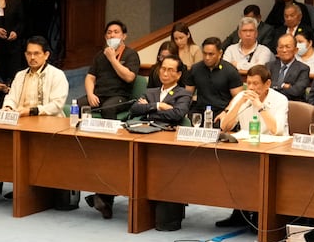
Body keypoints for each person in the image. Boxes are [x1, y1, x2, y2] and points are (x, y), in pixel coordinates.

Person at [109, 57, 193, 228]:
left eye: (170, 70)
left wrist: (149, 109)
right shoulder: (151, 91)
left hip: (166, 139)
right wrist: (159, 106)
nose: (165, 73)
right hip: (145, 133)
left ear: (178, 75)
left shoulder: (183, 93)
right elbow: (135, 109)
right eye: (163, 69)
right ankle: (106, 195)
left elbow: (177, 114)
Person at [2, 36, 68, 117]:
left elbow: (57, 105)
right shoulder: (20, 75)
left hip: (49, 123)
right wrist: (8, 107)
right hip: (22, 120)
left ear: (46, 55)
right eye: (29, 54)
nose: (32, 57)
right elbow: (11, 98)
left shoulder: (56, 75)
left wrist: (31, 111)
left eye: (36, 53)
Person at [84, 20, 138, 118]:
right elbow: (90, 77)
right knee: (78, 106)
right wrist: (90, 94)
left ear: (124, 36)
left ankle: (109, 133)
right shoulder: (100, 55)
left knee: (107, 108)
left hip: (120, 96)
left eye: (116, 32)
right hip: (99, 95)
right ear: (105, 37)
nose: (112, 35)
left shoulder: (131, 54)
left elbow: (129, 77)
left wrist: (112, 59)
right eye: (109, 33)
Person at [187, 38, 244, 127]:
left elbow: (238, 98)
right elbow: (187, 95)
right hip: (200, 111)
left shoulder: (230, 71)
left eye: (211, 54)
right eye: (204, 53)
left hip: (221, 111)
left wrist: (226, 112)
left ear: (220, 53)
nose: (207, 57)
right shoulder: (195, 69)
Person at [218, 64, 287, 136]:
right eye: (248, 83)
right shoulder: (241, 96)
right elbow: (224, 127)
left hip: (274, 144)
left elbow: (277, 131)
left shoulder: (280, 100)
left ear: (267, 84)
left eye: (255, 83)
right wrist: (239, 103)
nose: (251, 87)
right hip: (247, 144)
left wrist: (260, 106)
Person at [269, 34, 311, 102]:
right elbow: (264, 87)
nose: (284, 50)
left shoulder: (303, 69)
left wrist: (277, 85)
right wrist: (284, 85)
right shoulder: (269, 66)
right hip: (270, 103)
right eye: (281, 47)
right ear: (277, 50)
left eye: (288, 47)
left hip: (292, 105)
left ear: (296, 50)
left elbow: (297, 91)